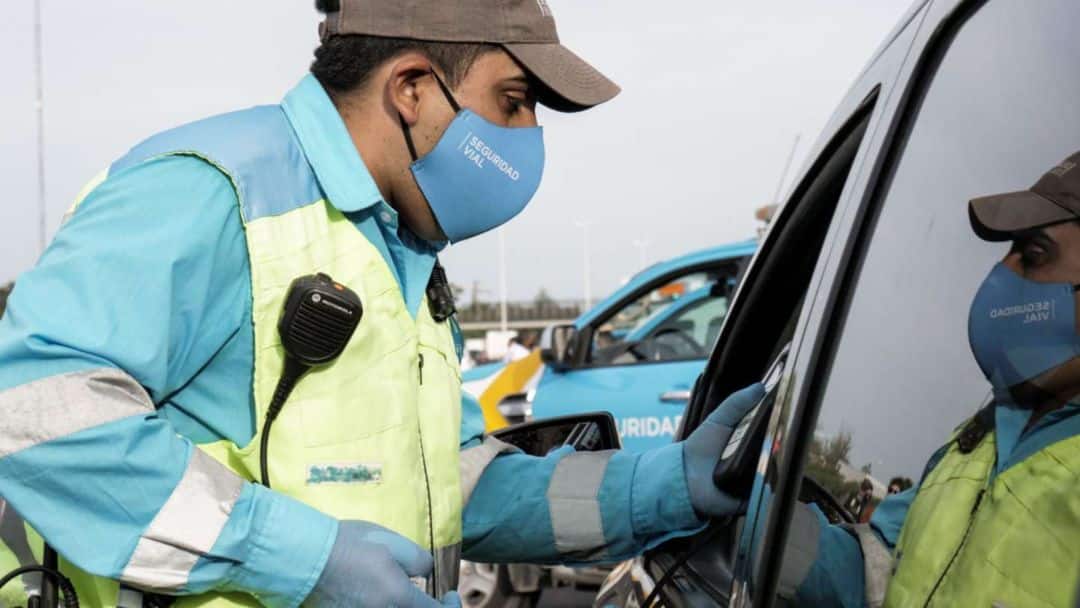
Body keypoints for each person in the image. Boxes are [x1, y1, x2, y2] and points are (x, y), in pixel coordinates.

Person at [0, 2, 764, 607]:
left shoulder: (397, 252)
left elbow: (456, 485)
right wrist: (302, 559)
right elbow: (29, 412)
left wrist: (667, 485)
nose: (531, 136)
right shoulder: (215, 191)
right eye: (515, 101)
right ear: (411, 89)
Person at [715, 152, 1080, 607]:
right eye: (1009, 253)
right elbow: (881, 569)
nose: (1002, 276)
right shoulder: (979, 439)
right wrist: (745, 516)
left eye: (1034, 254)